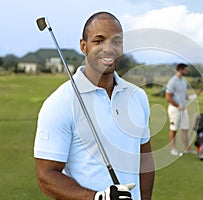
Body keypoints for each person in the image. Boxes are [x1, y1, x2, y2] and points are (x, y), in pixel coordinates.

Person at [33, 11, 154, 200]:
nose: (108, 49)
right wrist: (98, 197)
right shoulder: (60, 102)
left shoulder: (137, 97)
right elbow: (46, 176)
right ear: (84, 46)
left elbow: (145, 162)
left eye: (116, 41)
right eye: (98, 41)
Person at [165, 63, 195, 156]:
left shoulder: (183, 81)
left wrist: (189, 97)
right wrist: (178, 106)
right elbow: (168, 97)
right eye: (185, 70)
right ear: (180, 70)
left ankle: (187, 148)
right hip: (174, 109)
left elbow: (182, 94)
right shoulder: (172, 81)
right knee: (173, 129)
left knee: (185, 129)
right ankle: (173, 149)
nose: (187, 71)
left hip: (183, 109)